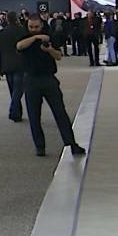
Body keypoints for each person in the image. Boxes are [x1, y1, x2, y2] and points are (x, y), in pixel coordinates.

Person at [16, 14, 85, 158]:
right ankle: (40, 146)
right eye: (31, 27)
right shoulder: (25, 37)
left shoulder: (50, 37)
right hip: (31, 80)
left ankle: (71, 143)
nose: (33, 29)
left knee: (60, 112)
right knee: (34, 115)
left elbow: (58, 56)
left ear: (41, 25)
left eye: (36, 27)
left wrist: (49, 50)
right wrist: (36, 38)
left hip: (48, 79)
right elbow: (19, 46)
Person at [0, 13, 26, 122]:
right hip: (21, 63)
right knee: (18, 90)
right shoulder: (23, 31)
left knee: (13, 90)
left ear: (7, 20)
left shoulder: (1, 33)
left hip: (7, 64)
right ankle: (14, 111)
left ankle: (16, 113)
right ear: (17, 19)